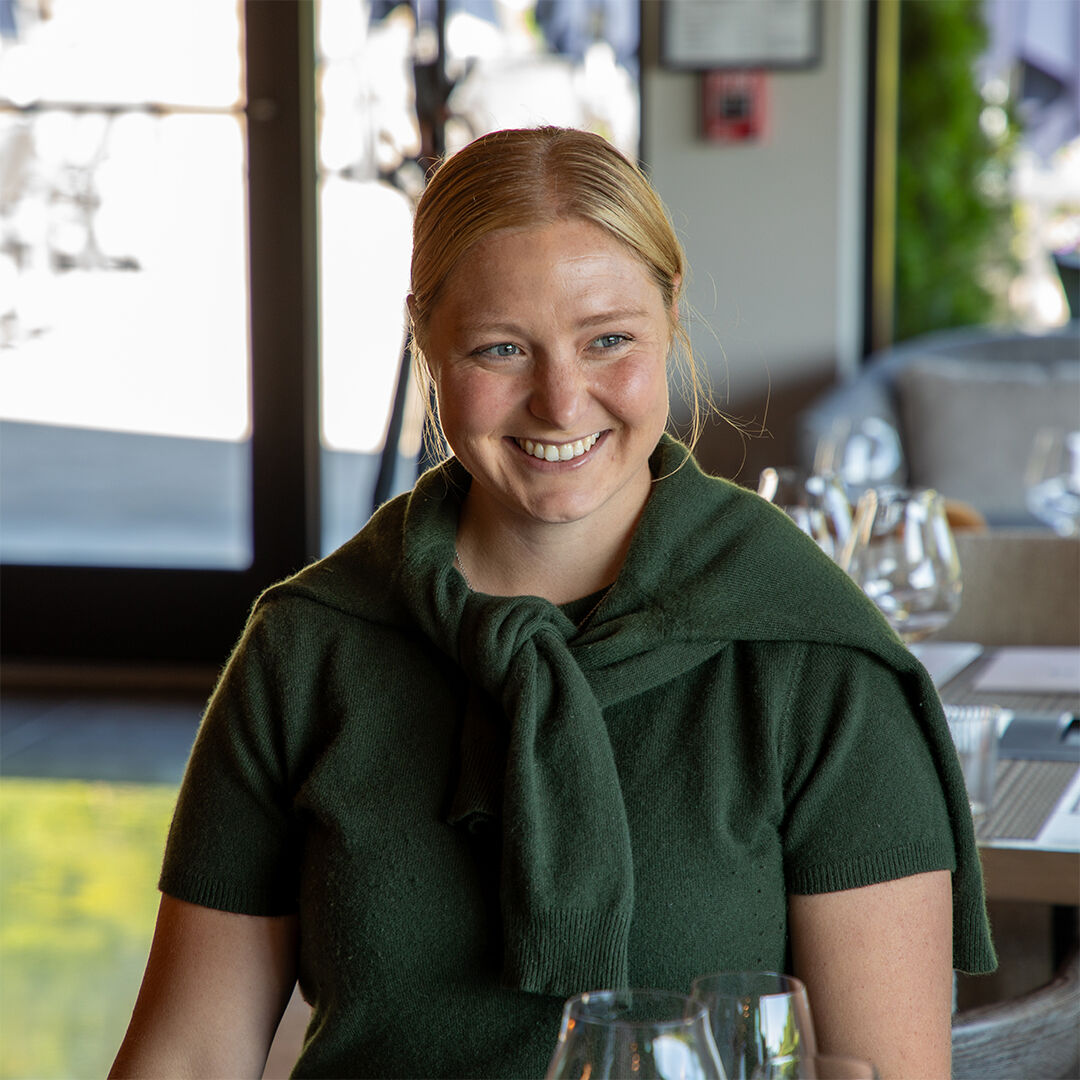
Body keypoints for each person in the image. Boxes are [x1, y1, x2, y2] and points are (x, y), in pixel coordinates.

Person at [110, 126, 994, 1080]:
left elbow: (884, 1070)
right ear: (427, 345)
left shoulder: (816, 665)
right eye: (500, 350)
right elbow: (191, 1057)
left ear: (670, 317)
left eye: (608, 340)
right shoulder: (309, 648)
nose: (562, 402)